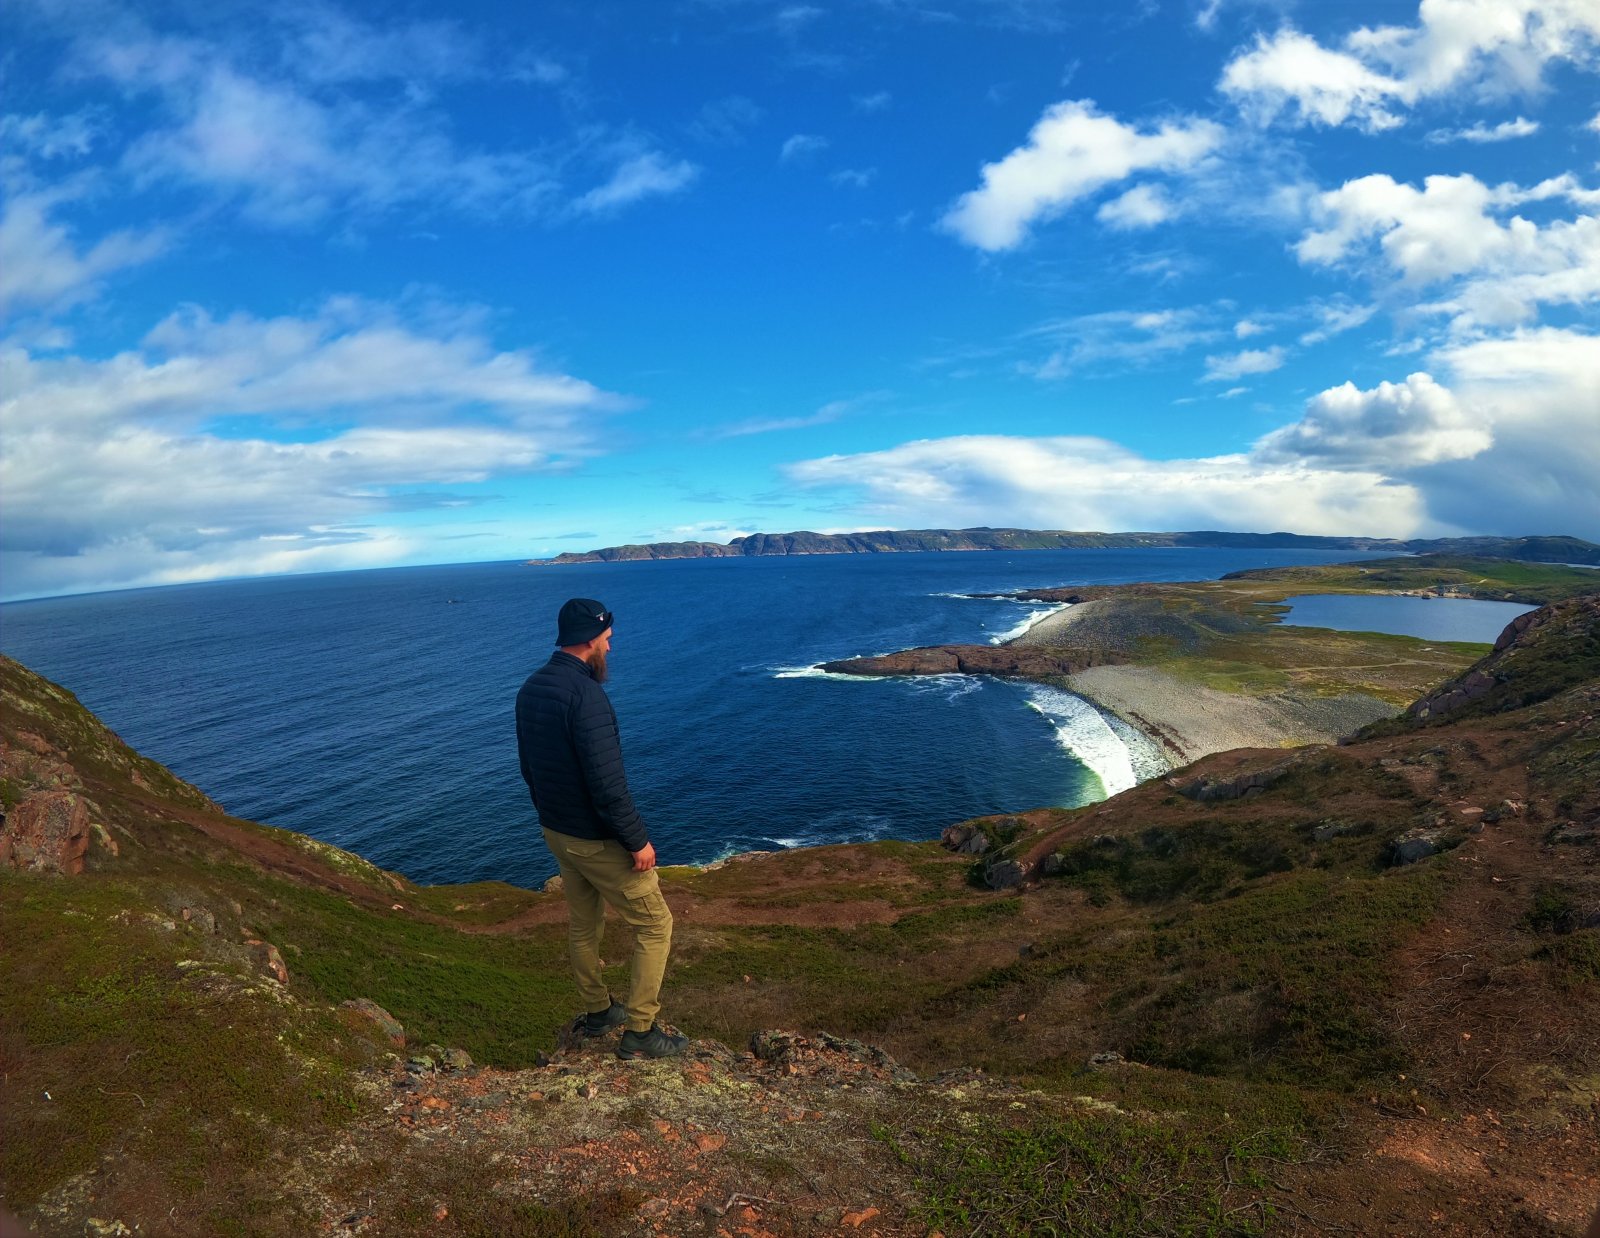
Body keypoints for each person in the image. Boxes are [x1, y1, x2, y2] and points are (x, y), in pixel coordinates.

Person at [515, 597, 687, 1060]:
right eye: (608, 638)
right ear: (591, 640)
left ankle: (598, 1011)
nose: (612, 645)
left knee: (584, 923)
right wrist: (638, 841)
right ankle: (640, 1033)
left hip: (558, 833)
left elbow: (529, 768)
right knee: (655, 925)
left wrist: (551, 817)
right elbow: (608, 785)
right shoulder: (586, 697)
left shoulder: (533, 687)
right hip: (595, 840)